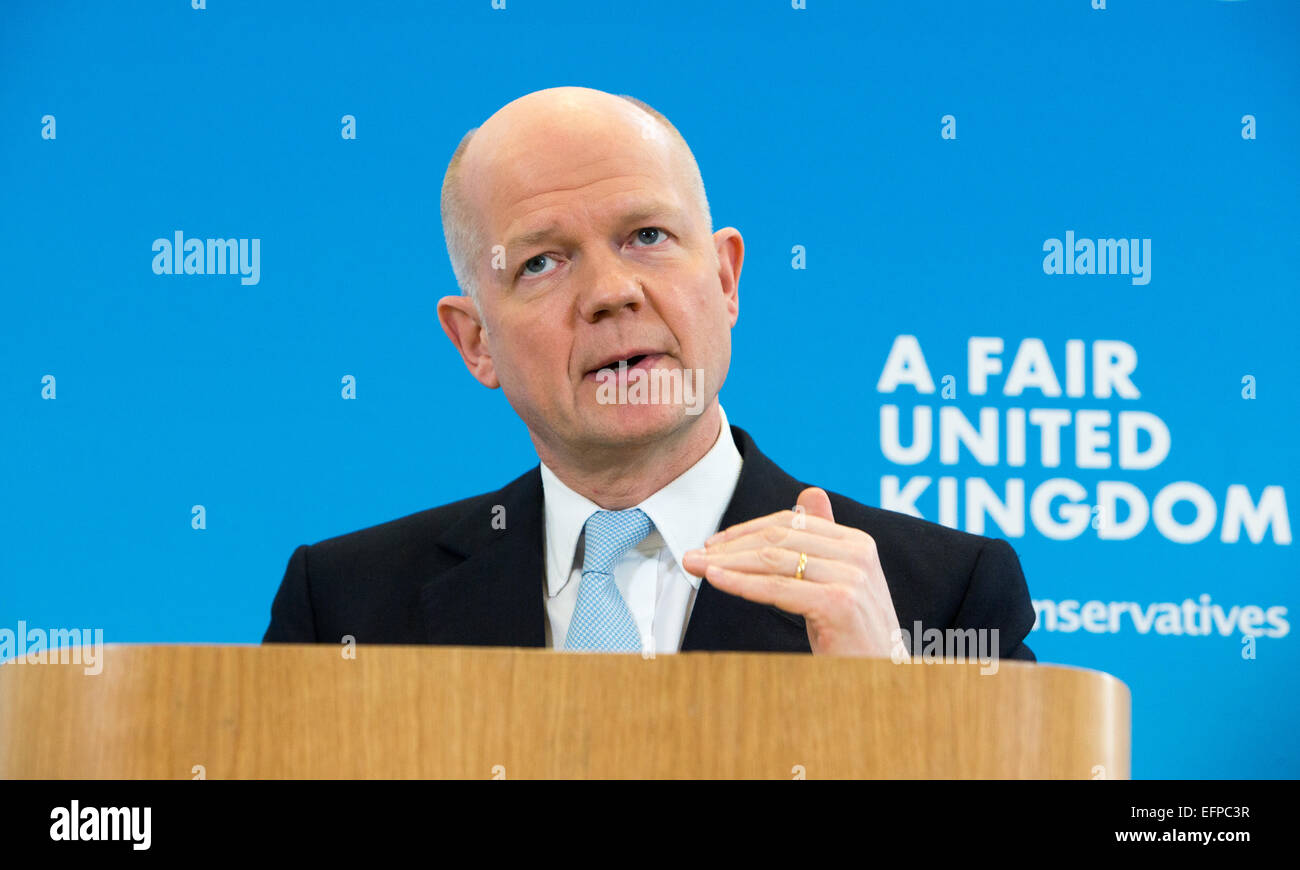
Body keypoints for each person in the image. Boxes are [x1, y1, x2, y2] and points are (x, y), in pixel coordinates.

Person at [263, 86, 1036, 661]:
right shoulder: (343, 607)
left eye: (646, 236)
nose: (610, 292)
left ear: (727, 280)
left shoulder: (942, 595)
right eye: (540, 262)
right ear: (476, 343)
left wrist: (892, 708)